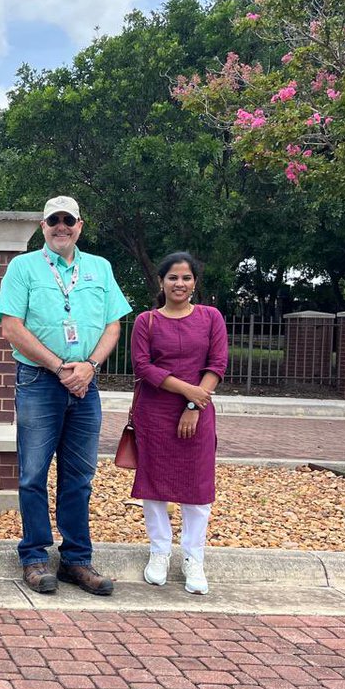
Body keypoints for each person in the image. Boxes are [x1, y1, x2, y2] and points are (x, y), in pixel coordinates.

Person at [0, 195, 131, 595]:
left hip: (86, 383)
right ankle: (35, 557)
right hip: (39, 381)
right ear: (43, 226)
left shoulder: (100, 268)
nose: (61, 227)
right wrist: (60, 367)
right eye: (53, 220)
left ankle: (76, 560)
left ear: (80, 226)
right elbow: (12, 328)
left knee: (79, 477)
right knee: (33, 474)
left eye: (68, 220)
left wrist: (89, 366)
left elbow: (113, 327)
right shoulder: (23, 268)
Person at [130, 252, 228, 595]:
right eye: (173, 277)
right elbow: (143, 366)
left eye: (186, 278)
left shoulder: (211, 317)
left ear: (195, 283)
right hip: (154, 412)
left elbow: (217, 363)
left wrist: (193, 402)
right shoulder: (147, 321)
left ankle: (192, 557)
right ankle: (159, 552)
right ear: (161, 282)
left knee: (197, 488)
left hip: (197, 412)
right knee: (154, 485)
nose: (180, 284)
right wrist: (186, 389)